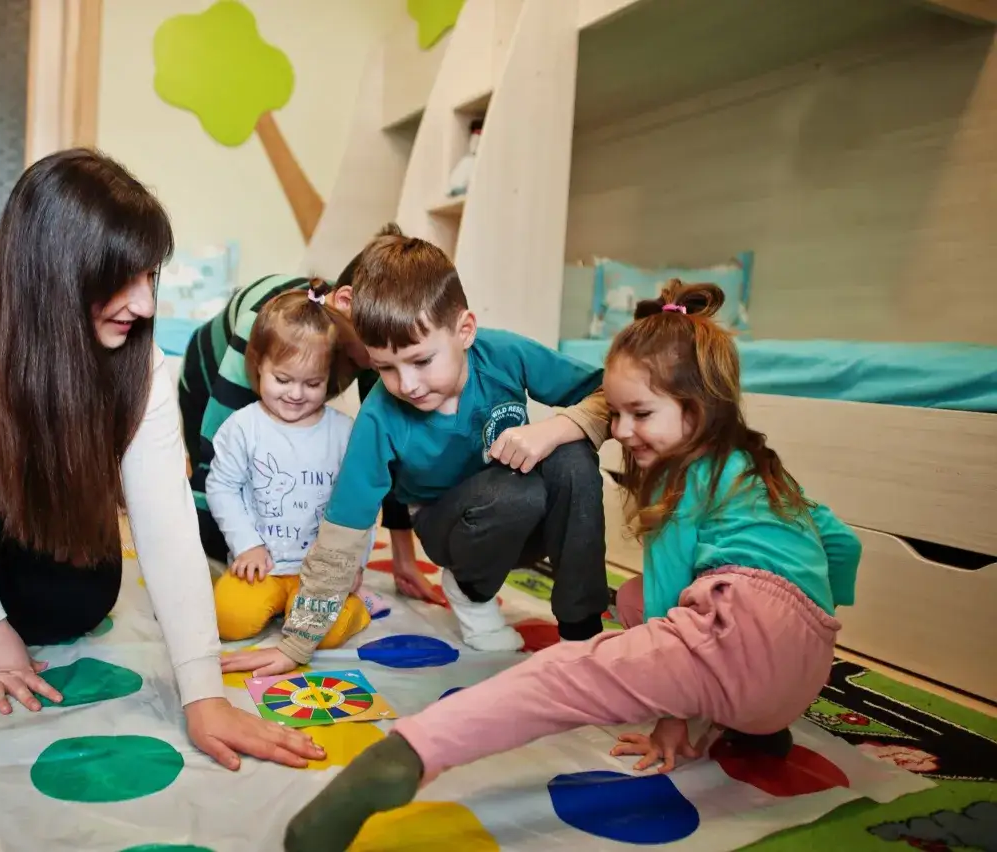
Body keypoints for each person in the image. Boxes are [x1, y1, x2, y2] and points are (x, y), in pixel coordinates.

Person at [280, 281, 863, 852]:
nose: (623, 431)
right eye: (384, 368)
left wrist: (672, 716)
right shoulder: (765, 470)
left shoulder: (681, 481)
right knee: (629, 599)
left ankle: (409, 753)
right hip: (804, 670)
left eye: (640, 414)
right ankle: (758, 728)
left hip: (730, 637)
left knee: (559, 680)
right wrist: (800, 617)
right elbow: (840, 545)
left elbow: (666, 606)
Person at [0, 148, 324, 772]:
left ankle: (1, 546)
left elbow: (165, 516)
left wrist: (203, 693)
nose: (145, 305)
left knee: (71, 608)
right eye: (122, 279)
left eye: (150, 277)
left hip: (54, 453)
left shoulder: (140, 355)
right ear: (59, 270)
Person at [222, 226, 611, 676]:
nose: (406, 384)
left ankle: (582, 634)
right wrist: (296, 643)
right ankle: (470, 589)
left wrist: (557, 428)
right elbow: (343, 530)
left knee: (572, 456)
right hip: (455, 530)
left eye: (422, 361)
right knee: (517, 493)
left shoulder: (504, 354)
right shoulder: (380, 415)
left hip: (530, 526)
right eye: (385, 368)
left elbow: (610, 394)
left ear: (465, 330)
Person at [178, 250, 447, 607]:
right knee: (216, 527)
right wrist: (213, 561)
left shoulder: (373, 343)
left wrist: (403, 557)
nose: (388, 367)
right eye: (381, 358)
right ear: (347, 303)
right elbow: (215, 456)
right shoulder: (267, 322)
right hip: (208, 378)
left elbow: (381, 454)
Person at [206, 282, 384, 644]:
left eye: (312, 383)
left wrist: (353, 564)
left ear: (329, 377)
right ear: (259, 366)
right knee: (227, 619)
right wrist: (247, 545)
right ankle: (280, 605)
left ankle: (355, 610)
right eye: (282, 379)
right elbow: (221, 487)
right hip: (262, 567)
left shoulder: (345, 433)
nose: (296, 394)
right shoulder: (242, 427)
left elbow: (361, 505)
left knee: (324, 632)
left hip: (320, 572)